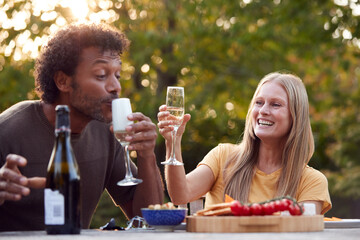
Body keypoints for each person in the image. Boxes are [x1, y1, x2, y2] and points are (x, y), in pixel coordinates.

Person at [0, 23, 163, 231]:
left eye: (117, 75)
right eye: (101, 75)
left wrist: (147, 155)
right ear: (63, 81)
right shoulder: (7, 132)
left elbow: (149, 219)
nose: (116, 86)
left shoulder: (106, 132)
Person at [157, 72, 331, 215]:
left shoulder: (311, 181)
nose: (263, 111)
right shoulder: (223, 156)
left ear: (296, 116)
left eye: (275, 104)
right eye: (259, 102)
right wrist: (173, 142)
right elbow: (180, 195)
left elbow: (304, 233)